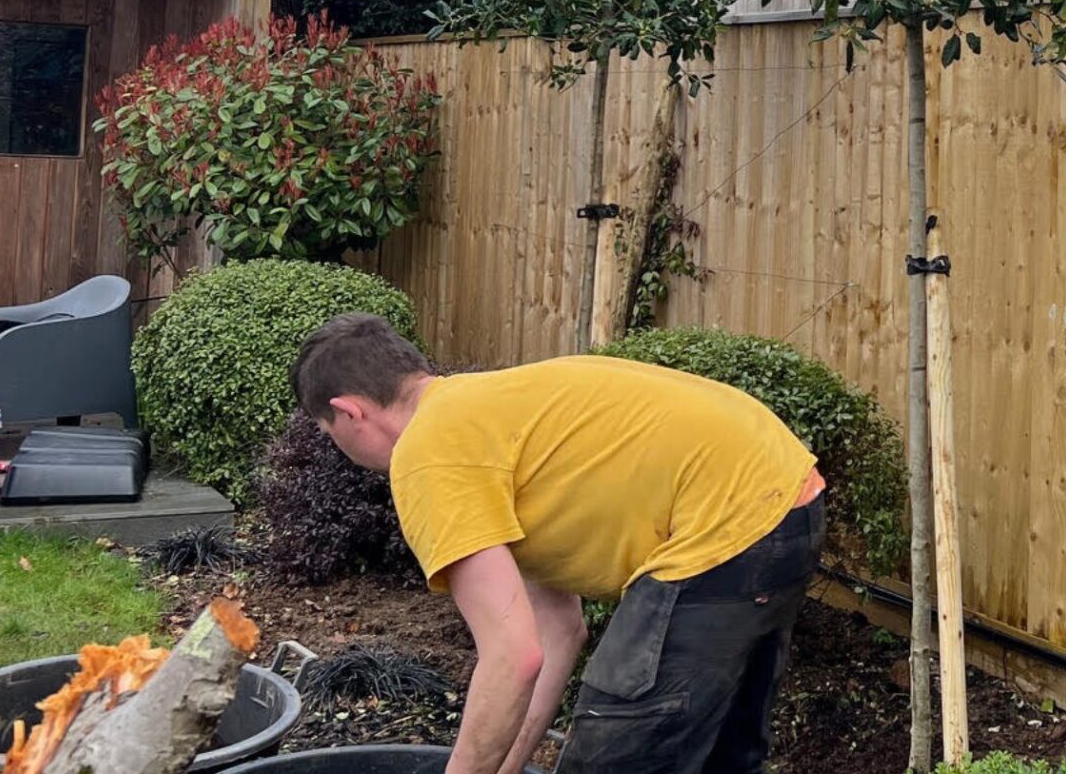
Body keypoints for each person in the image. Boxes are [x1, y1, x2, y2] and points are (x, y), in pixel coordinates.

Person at [291, 313, 826, 774]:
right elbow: (555, 632)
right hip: (786, 500)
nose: (336, 447)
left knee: (616, 752)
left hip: (727, 524)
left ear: (350, 411)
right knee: (716, 758)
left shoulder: (429, 455)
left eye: (327, 430)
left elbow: (513, 656)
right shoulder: (485, 415)